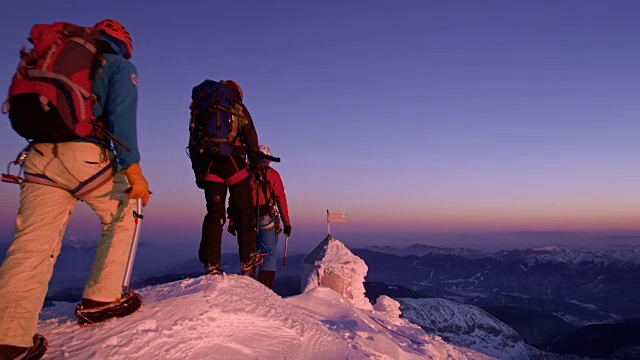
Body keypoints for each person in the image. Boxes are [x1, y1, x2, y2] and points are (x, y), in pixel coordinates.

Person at [0, 19, 150, 359]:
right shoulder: (118, 65)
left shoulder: (55, 54)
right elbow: (121, 118)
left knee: (31, 243)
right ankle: (102, 299)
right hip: (85, 156)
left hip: (38, 157)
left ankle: (9, 339)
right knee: (125, 213)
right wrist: (134, 168)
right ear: (123, 44)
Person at [190, 80, 263, 276]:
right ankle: (247, 257)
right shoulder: (237, 108)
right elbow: (251, 137)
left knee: (215, 214)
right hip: (233, 163)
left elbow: (193, 142)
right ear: (237, 93)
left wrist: (198, 171)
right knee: (244, 209)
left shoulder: (202, 107)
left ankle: (211, 262)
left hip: (209, 166)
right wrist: (255, 164)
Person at [228, 145, 291, 288]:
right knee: (268, 255)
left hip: (244, 218)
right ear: (268, 160)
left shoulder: (244, 172)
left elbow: (234, 197)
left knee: (249, 254)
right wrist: (287, 223)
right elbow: (281, 199)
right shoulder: (272, 174)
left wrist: (232, 221)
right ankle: (265, 290)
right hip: (265, 218)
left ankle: (248, 288)